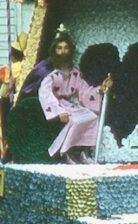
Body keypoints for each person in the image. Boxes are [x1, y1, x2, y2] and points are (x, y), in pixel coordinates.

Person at [40, 29, 113, 163]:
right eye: (59, 48)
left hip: (70, 106)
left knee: (92, 117)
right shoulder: (50, 74)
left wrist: (100, 90)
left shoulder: (75, 74)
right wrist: (59, 112)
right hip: (59, 105)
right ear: (54, 51)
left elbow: (84, 91)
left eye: (66, 48)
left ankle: (83, 151)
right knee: (75, 121)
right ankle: (67, 152)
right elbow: (45, 94)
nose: (63, 51)